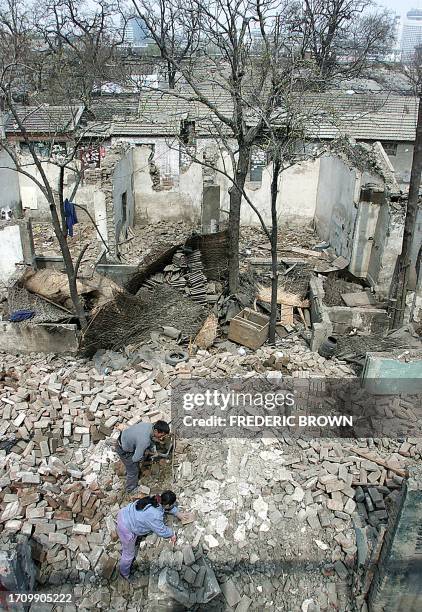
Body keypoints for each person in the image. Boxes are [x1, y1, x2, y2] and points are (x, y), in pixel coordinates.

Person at [117, 490, 183, 580]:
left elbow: (167, 507)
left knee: (138, 528)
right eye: (172, 505)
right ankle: (124, 573)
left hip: (123, 514)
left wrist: (177, 513)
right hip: (126, 528)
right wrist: (172, 534)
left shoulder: (155, 498)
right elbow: (161, 530)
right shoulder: (155, 515)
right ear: (167, 505)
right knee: (128, 554)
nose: (172, 506)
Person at [116, 420, 170, 493]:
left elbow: (150, 439)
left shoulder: (149, 425)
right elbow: (135, 459)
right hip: (124, 449)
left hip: (125, 437)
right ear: (156, 431)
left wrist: (153, 450)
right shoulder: (144, 441)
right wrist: (144, 453)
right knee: (133, 470)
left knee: (142, 451)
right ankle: (130, 488)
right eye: (161, 435)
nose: (161, 438)